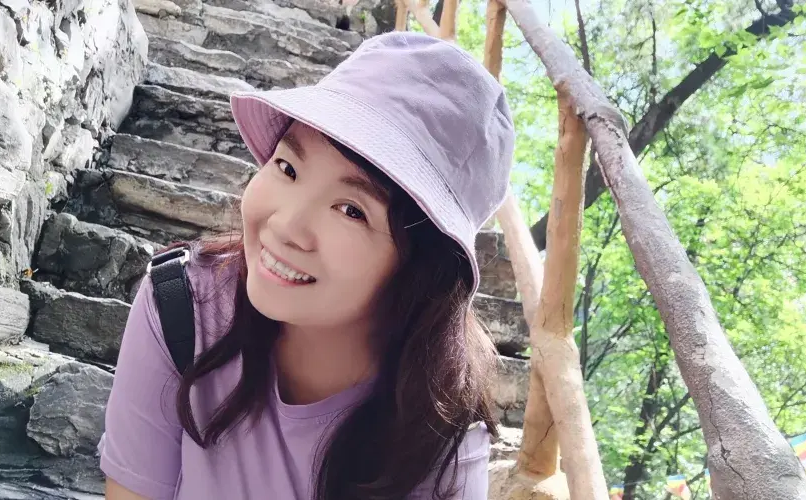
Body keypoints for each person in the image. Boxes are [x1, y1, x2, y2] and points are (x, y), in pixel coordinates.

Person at [98, 31, 516, 499]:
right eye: (288, 168)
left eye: (351, 210)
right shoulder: (183, 308)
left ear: (422, 270)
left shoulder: (438, 438)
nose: (286, 225)